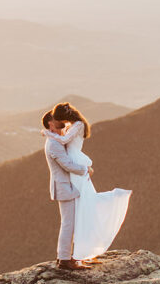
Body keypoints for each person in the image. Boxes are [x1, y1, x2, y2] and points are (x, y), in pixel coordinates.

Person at [47, 102, 131, 262]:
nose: (60, 124)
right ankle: (67, 257)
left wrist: (47, 133)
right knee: (77, 212)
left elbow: (65, 141)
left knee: (82, 205)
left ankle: (67, 256)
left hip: (75, 165)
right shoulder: (66, 130)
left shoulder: (77, 125)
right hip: (73, 169)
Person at [42, 109, 90, 269]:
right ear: (50, 123)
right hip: (63, 187)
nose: (59, 120)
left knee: (69, 222)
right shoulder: (53, 144)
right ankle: (64, 259)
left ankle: (66, 257)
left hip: (65, 186)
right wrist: (85, 170)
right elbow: (67, 165)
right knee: (68, 223)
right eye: (56, 119)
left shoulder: (55, 140)